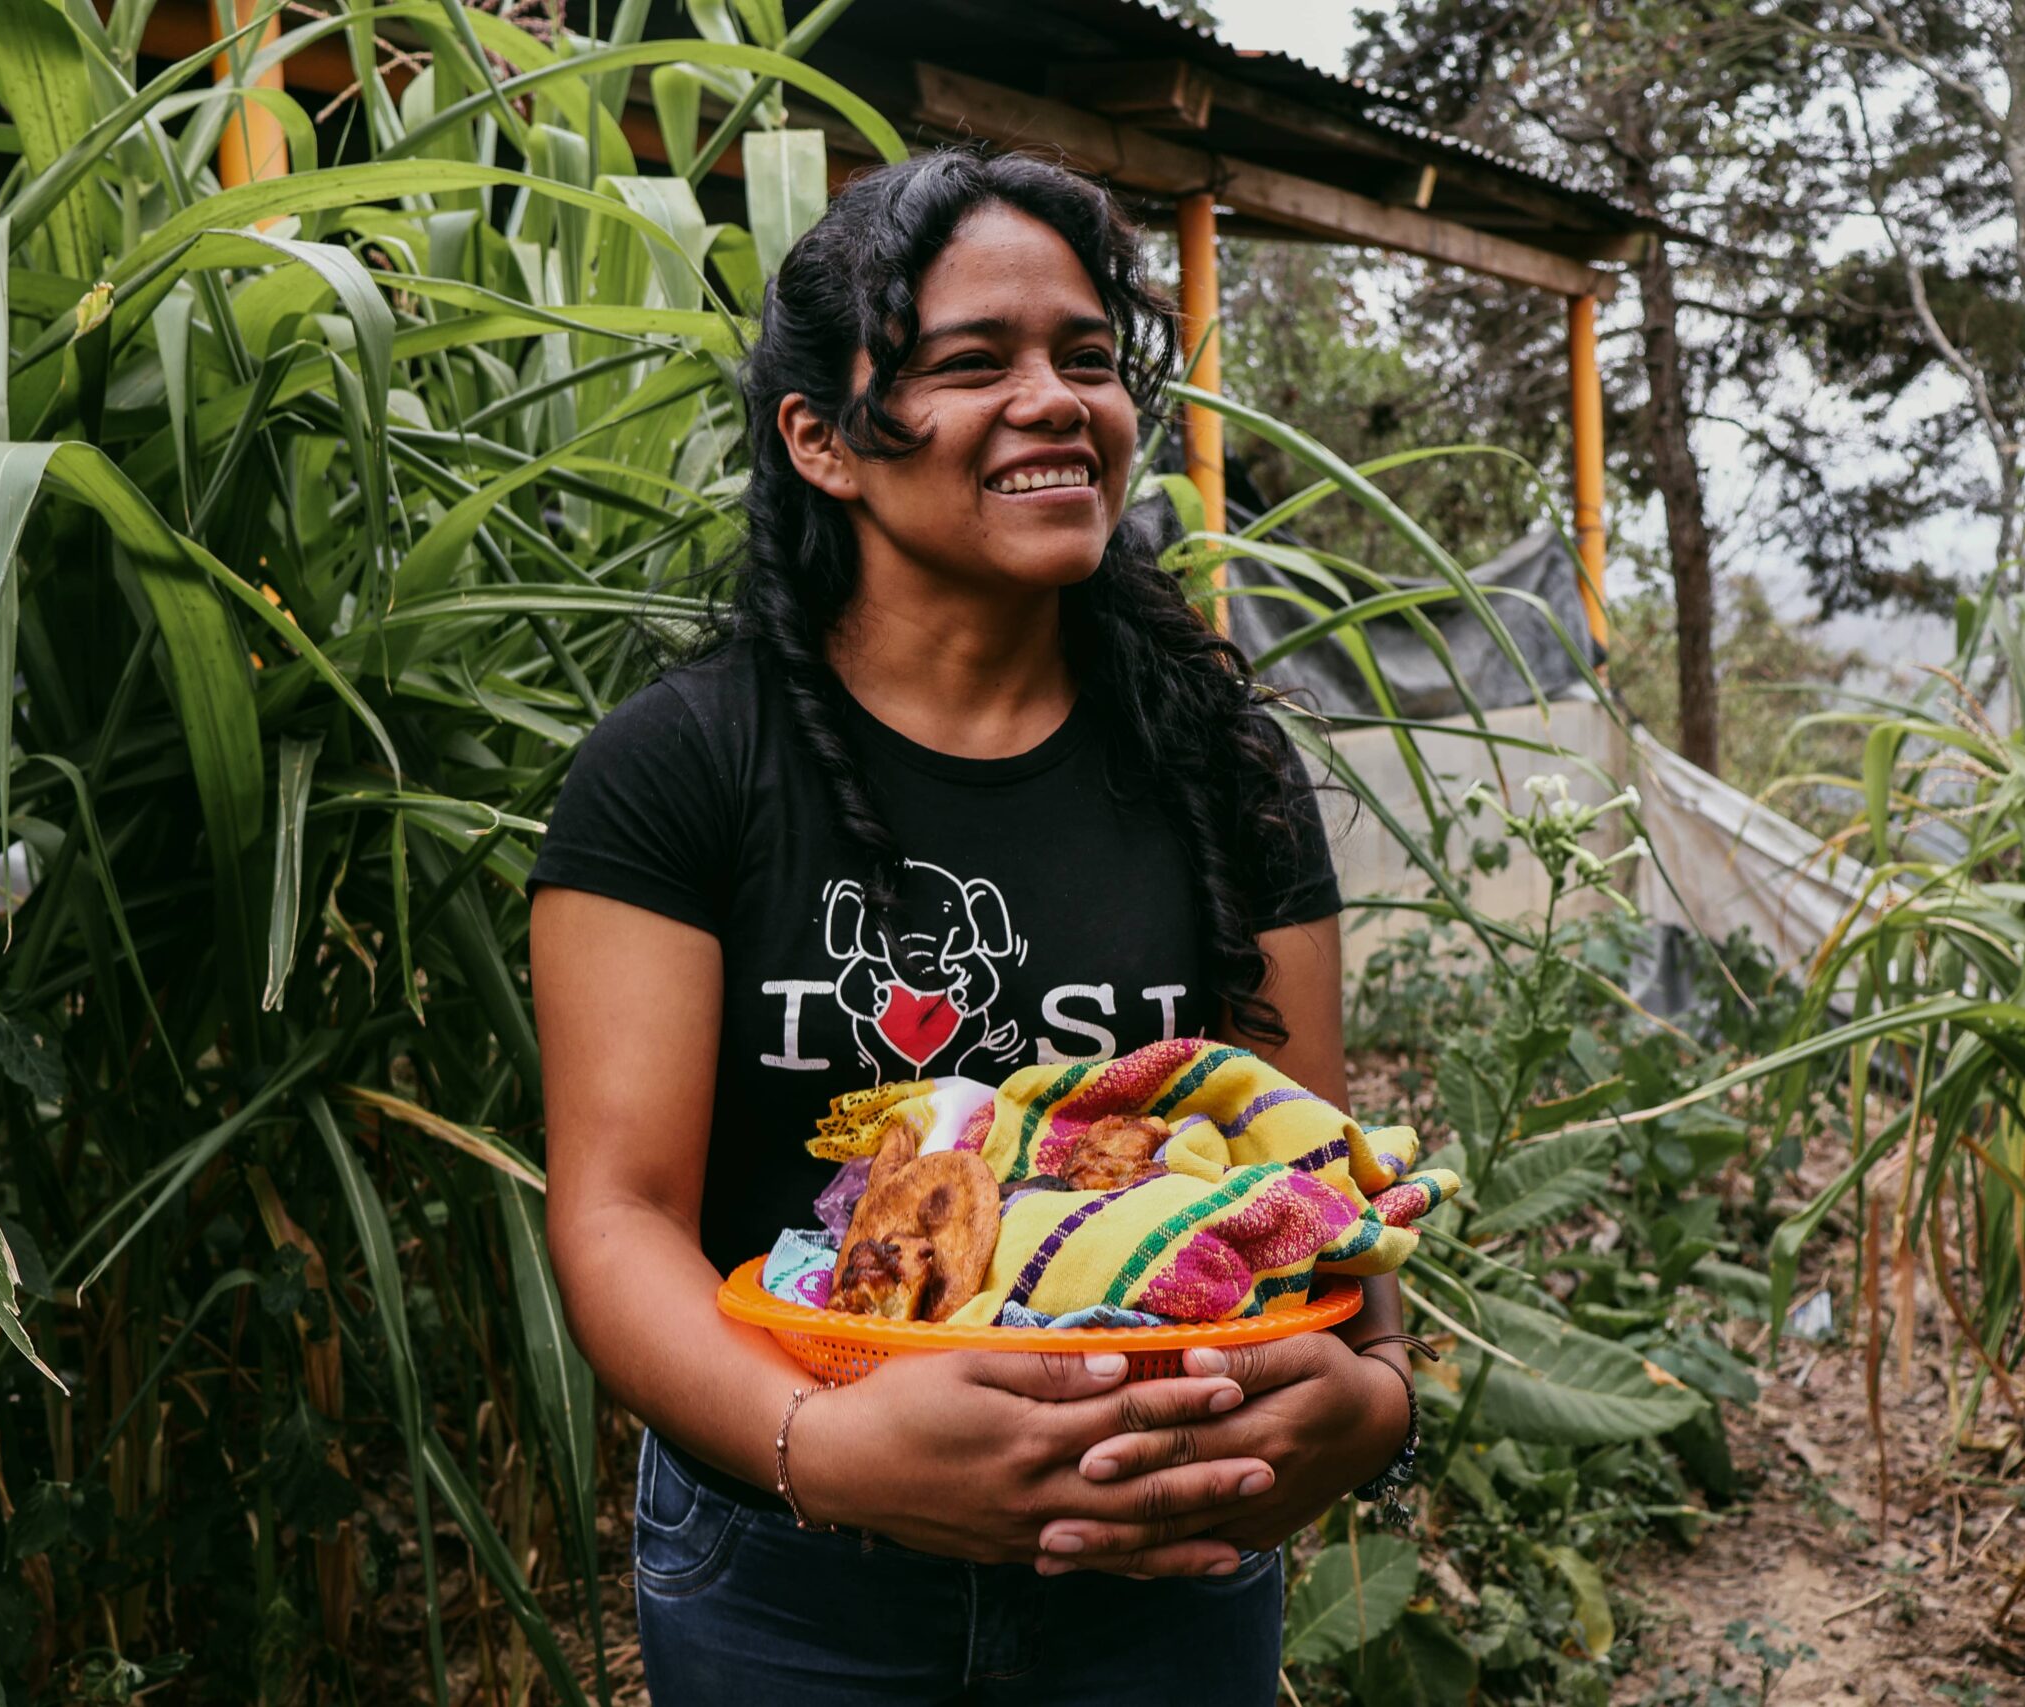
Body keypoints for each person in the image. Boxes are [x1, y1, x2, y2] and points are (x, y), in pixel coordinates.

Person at [528, 148, 1413, 1706]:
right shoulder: (678, 771)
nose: (1060, 398)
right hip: (793, 1576)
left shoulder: (1223, 771)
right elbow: (618, 1219)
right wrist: (828, 1450)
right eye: (971, 362)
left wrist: (1377, 1401)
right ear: (823, 440)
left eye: (1088, 356)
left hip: (1161, 1553)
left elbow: (1310, 1183)